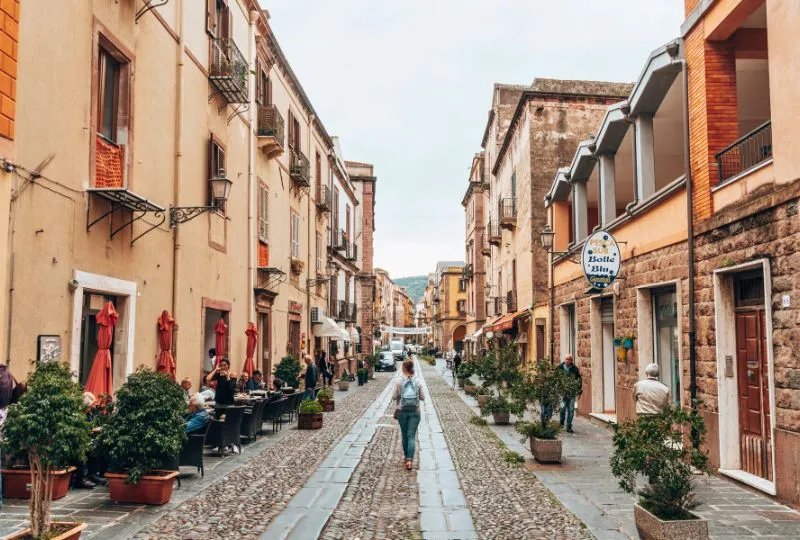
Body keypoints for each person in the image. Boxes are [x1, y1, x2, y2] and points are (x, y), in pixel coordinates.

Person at [394, 359, 425, 470]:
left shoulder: (399, 381)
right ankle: (409, 460)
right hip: (415, 411)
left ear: (403, 368)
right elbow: (422, 397)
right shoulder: (418, 381)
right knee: (411, 435)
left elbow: (393, 397)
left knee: (404, 434)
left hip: (402, 411)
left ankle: (406, 457)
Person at [557, 354, 582, 433]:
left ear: (571, 361)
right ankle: (561, 422)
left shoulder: (575, 369)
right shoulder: (560, 368)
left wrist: (578, 389)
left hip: (571, 393)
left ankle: (569, 426)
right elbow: (555, 378)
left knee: (571, 409)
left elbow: (579, 380)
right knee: (562, 408)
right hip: (562, 392)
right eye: (566, 359)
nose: (567, 361)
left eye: (569, 359)